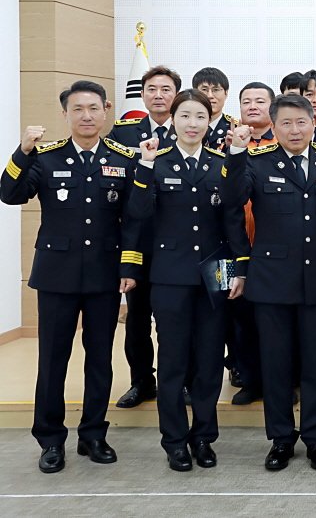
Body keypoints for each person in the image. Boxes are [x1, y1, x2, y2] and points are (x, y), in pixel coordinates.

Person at [1, 81, 137, 473]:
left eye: (93, 108)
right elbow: (10, 194)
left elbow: (134, 219)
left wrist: (129, 267)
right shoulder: (45, 156)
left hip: (104, 275)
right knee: (52, 360)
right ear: (65, 115)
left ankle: (93, 435)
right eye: (77, 109)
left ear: (106, 111)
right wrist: (22, 151)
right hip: (56, 276)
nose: (86, 116)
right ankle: (50, 440)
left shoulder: (123, 158)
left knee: (100, 360)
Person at [225, 94, 316, 471]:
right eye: (285, 123)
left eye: (301, 122)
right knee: (276, 364)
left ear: (313, 124)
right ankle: (281, 438)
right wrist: (235, 153)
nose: (295, 130)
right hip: (271, 281)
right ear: (273, 126)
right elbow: (232, 200)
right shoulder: (255, 162)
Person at [123, 89, 246, 471]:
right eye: (185, 116)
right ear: (173, 120)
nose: (193, 124)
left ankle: (204, 438)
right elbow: (137, 214)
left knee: (209, 361)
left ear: (210, 121)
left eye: (200, 117)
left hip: (216, 271)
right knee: (173, 362)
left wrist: (238, 269)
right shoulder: (154, 161)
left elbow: (233, 217)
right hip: (170, 275)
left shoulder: (220, 162)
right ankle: (174, 441)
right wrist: (144, 165)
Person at [109, 65, 183, 410]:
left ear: (176, 95)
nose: (158, 95)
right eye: (151, 89)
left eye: (166, 89)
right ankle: (141, 380)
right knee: (137, 316)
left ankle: (178, 381)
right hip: (138, 238)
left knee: (176, 318)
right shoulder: (124, 133)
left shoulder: (188, 128)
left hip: (178, 241)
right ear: (142, 94)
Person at [229, 81, 278, 406]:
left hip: (273, 248)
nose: (252, 106)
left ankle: (282, 381)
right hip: (238, 243)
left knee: (276, 324)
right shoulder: (231, 144)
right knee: (243, 320)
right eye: (246, 101)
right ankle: (250, 380)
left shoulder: (283, 142)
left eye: (260, 101)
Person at [193, 67, 236, 152]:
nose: (210, 96)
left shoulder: (235, 129)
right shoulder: (184, 126)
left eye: (216, 90)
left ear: (226, 93)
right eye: (204, 90)